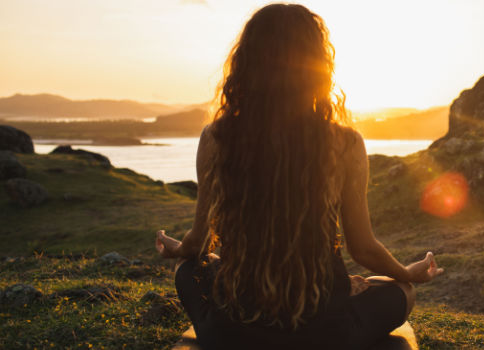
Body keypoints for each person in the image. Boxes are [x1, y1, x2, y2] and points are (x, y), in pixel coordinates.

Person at [154, 3, 443, 349]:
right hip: (326, 333)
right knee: (401, 291)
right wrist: (407, 274)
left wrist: (179, 249)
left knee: (188, 270)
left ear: (246, 64)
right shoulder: (345, 143)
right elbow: (364, 248)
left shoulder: (217, 138)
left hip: (232, 332)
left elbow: (199, 242)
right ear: (317, 67)